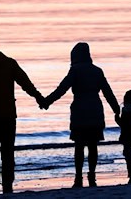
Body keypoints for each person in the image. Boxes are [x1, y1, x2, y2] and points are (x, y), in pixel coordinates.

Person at [0, 39, 46, 194]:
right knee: (8, 151)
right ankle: (7, 182)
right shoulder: (9, 63)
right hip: (8, 115)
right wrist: (38, 97)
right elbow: (25, 83)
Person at [44, 42, 120, 188]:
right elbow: (107, 92)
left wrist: (47, 101)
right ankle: (92, 174)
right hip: (95, 110)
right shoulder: (97, 71)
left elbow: (62, 88)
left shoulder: (75, 70)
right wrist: (116, 109)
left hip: (79, 111)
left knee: (79, 146)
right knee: (93, 145)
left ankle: (78, 177)